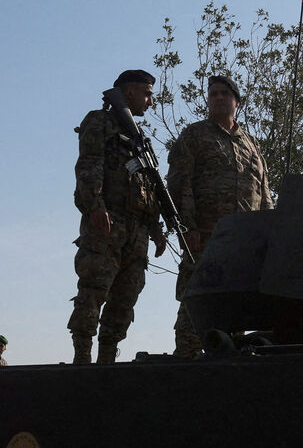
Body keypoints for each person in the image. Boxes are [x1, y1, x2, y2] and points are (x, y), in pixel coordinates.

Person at [166, 74, 273, 358]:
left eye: (225, 93)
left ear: (237, 102)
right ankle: (186, 359)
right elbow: (179, 183)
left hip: (244, 242)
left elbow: (263, 193)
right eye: (213, 93)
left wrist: (270, 236)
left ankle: (228, 359)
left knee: (236, 302)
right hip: (205, 235)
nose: (218, 98)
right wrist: (188, 227)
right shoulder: (195, 135)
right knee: (197, 299)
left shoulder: (251, 144)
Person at [70, 69, 168, 364]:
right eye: (147, 93)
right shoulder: (100, 122)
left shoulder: (139, 137)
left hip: (136, 230)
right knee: (94, 289)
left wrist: (156, 229)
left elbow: (148, 186)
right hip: (108, 222)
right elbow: (88, 166)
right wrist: (95, 206)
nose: (151, 101)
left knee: (126, 298)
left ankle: (108, 361)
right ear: (130, 93)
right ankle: (83, 359)